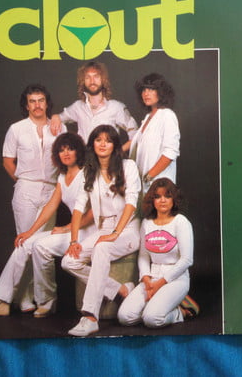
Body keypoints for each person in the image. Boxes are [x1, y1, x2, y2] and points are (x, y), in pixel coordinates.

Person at [0, 84, 64, 316]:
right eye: (32, 101)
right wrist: (22, 182)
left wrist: (58, 118)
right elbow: (8, 161)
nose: (37, 105)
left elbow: (68, 155)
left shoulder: (58, 127)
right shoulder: (16, 129)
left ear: (47, 103)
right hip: (26, 188)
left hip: (52, 190)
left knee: (40, 245)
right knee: (24, 242)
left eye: (41, 100)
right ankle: (23, 297)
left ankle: (38, 298)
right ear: (26, 105)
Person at [62, 124, 141, 337]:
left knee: (102, 248)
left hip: (127, 229)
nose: (103, 144)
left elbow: (131, 203)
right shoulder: (88, 171)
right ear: (93, 144)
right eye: (98, 140)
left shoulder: (128, 166)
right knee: (68, 261)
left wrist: (115, 233)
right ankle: (121, 290)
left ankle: (90, 317)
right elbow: (78, 208)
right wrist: (74, 241)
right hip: (103, 229)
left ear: (115, 145)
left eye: (108, 140)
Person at [29, 133, 97, 318]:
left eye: (70, 149)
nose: (66, 153)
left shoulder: (87, 173)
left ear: (78, 151)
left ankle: (47, 301)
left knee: (41, 246)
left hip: (89, 230)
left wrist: (67, 228)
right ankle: (45, 300)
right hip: (74, 229)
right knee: (33, 243)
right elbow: (51, 205)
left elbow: (93, 213)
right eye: (61, 150)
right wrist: (31, 231)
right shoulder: (62, 176)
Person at [117, 178, 198, 328]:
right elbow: (143, 256)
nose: (163, 200)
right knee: (125, 317)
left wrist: (160, 284)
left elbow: (187, 260)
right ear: (152, 200)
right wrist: (147, 280)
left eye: (167, 196)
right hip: (152, 277)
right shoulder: (146, 223)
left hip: (175, 279)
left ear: (174, 199)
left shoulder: (181, 222)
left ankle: (180, 312)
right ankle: (159, 306)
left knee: (152, 319)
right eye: (158, 196)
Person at [50, 61, 138, 152]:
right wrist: (55, 116)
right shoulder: (77, 107)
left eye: (96, 76)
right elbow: (59, 118)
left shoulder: (116, 107)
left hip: (108, 160)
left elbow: (135, 133)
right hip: (84, 159)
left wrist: (118, 153)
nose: (92, 81)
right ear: (83, 81)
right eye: (88, 77)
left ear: (103, 79)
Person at [129, 73, 180, 193]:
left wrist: (149, 176)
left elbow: (170, 152)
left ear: (161, 92)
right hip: (142, 185)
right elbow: (137, 141)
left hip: (158, 185)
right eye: (144, 90)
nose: (146, 93)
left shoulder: (167, 115)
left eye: (151, 89)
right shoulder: (148, 117)